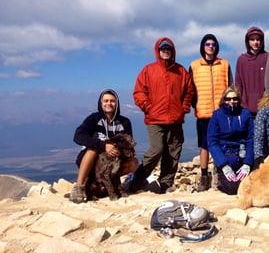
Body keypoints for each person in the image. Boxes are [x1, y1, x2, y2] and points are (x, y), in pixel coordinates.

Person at [128, 37, 194, 194]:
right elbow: (139, 92)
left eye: (168, 49)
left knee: (173, 151)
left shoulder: (181, 71)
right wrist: (148, 107)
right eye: (162, 49)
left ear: (172, 51)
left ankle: (165, 183)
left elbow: (189, 91)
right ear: (158, 51)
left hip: (175, 119)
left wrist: (183, 108)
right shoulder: (148, 70)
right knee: (156, 149)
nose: (165, 51)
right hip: (155, 119)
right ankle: (137, 179)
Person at [70, 89, 133, 203]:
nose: (109, 103)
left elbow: (129, 143)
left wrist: (119, 151)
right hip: (92, 160)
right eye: (106, 101)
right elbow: (78, 136)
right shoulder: (93, 119)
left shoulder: (125, 122)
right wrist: (103, 145)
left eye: (112, 101)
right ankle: (79, 187)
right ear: (101, 103)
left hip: (113, 159)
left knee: (133, 163)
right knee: (92, 150)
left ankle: (112, 184)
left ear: (117, 103)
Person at [189, 34, 232, 191]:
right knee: (205, 146)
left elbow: (230, 87)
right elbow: (190, 90)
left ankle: (220, 174)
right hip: (203, 112)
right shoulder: (194, 66)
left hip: (222, 113)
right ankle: (204, 176)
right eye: (207, 44)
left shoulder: (225, 64)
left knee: (221, 145)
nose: (210, 46)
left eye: (213, 44)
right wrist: (196, 105)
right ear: (203, 46)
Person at [207, 87, 254, 195]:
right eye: (228, 99)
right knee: (232, 189)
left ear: (239, 99)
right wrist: (223, 165)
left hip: (242, 155)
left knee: (248, 188)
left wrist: (248, 163)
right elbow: (212, 142)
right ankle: (219, 177)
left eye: (234, 98)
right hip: (225, 156)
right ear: (223, 100)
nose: (231, 101)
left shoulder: (246, 114)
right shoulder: (217, 115)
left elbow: (250, 139)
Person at [235, 26, 268, 116]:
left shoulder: (267, 57)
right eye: (252, 39)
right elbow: (238, 85)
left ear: (262, 41)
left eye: (258, 39)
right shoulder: (241, 60)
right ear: (248, 42)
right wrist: (239, 104)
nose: (255, 42)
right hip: (245, 109)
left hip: (265, 108)